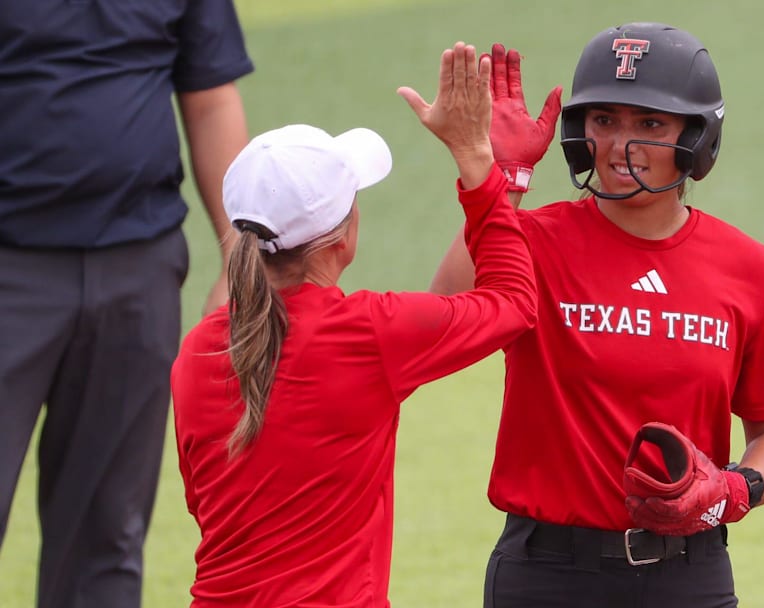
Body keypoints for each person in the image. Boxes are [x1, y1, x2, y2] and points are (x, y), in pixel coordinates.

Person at [430, 23, 764, 607]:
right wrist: (499, 183)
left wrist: (737, 488)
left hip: (692, 576)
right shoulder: (533, 240)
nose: (618, 145)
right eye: (604, 120)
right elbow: (445, 320)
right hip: (547, 577)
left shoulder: (748, 267)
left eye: (649, 124)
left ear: (698, 135)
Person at [170, 42, 536, 607]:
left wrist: (497, 178)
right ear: (343, 236)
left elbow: (204, 501)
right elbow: (513, 301)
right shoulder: (371, 334)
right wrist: (481, 163)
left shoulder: (199, 350)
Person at [0, 2, 252, 606]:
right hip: (10, 264)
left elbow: (211, 95)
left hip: (138, 267)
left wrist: (237, 255)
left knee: (107, 534)